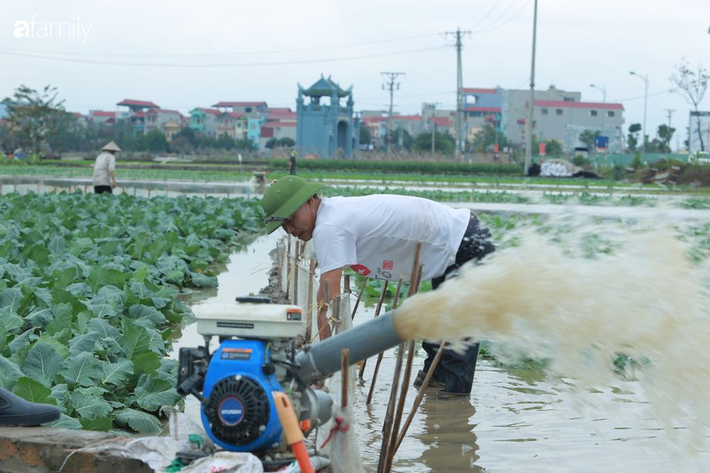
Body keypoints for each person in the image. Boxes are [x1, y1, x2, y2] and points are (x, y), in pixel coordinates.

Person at [262, 176, 495, 396]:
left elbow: (328, 306)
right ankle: (439, 420)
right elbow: (327, 300)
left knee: (457, 346)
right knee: (438, 344)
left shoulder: (329, 226)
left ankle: (453, 414)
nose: (290, 230)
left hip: (465, 243)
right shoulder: (333, 214)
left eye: (291, 218)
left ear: (310, 200)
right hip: (457, 242)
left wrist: (323, 367)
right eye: (283, 225)